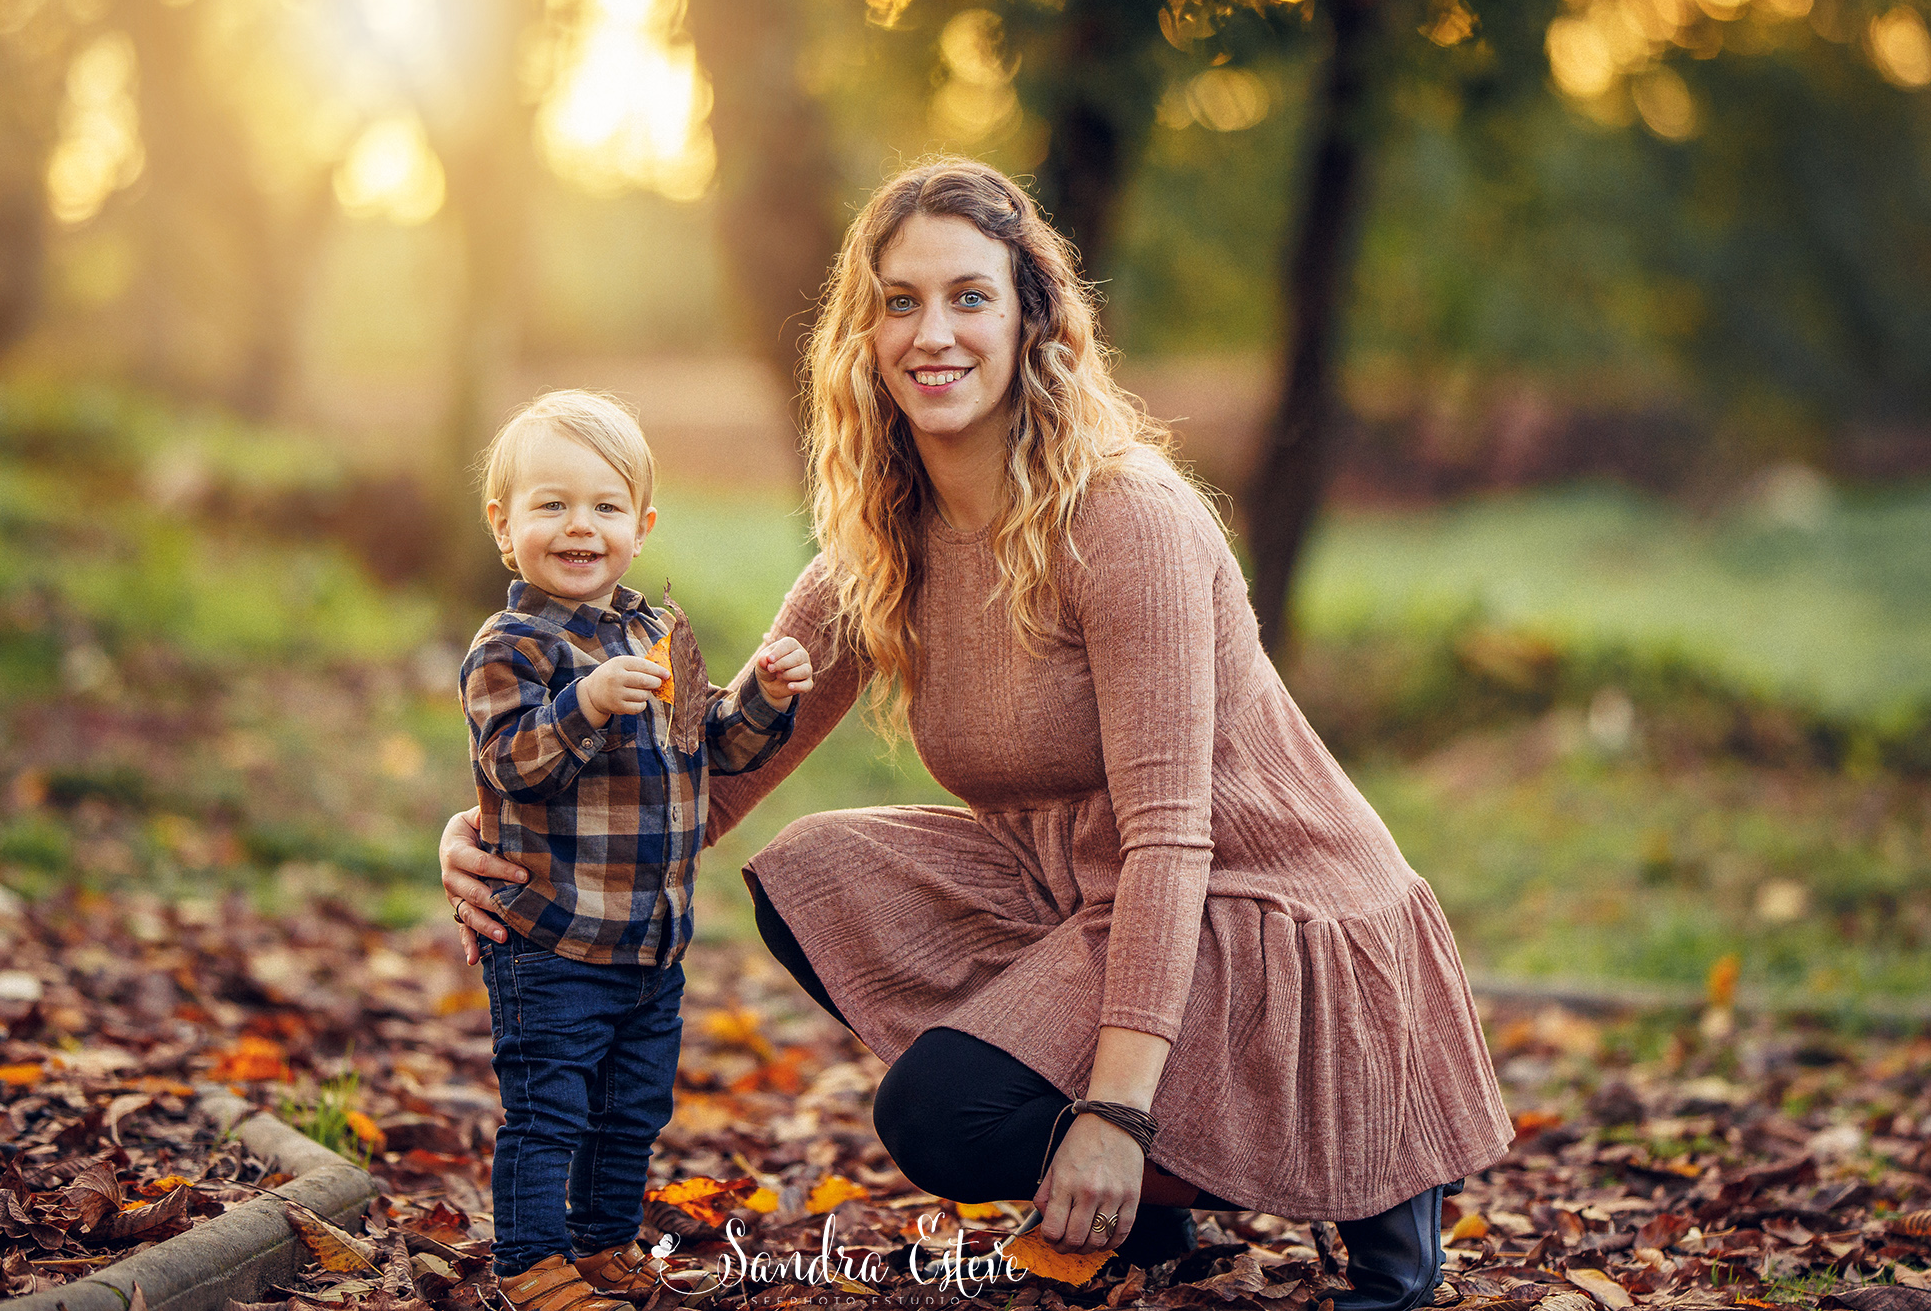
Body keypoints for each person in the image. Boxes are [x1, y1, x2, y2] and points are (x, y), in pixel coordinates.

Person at [442, 164, 1513, 1311]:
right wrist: (500, 829)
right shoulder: (878, 545)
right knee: (814, 874)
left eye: (968, 297)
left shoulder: (1125, 519)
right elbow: (698, 781)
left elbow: (1169, 836)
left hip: (1260, 903)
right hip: (1081, 893)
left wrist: (1111, 1114)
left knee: (938, 1118)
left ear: (1030, 318)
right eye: (899, 301)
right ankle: (1157, 1203)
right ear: (864, 332)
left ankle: (1350, 1167)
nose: (931, 333)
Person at [461, 390, 813, 1311]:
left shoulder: (659, 632)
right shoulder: (511, 649)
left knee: (632, 1110)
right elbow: (510, 765)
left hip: (653, 944)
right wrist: (584, 702)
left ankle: (604, 1240)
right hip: (556, 943)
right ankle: (531, 1262)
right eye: (552, 505)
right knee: (549, 1110)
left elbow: (711, 749)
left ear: (641, 525)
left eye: (605, 507)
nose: (581, 526)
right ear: (505, 526)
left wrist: (767, 695)